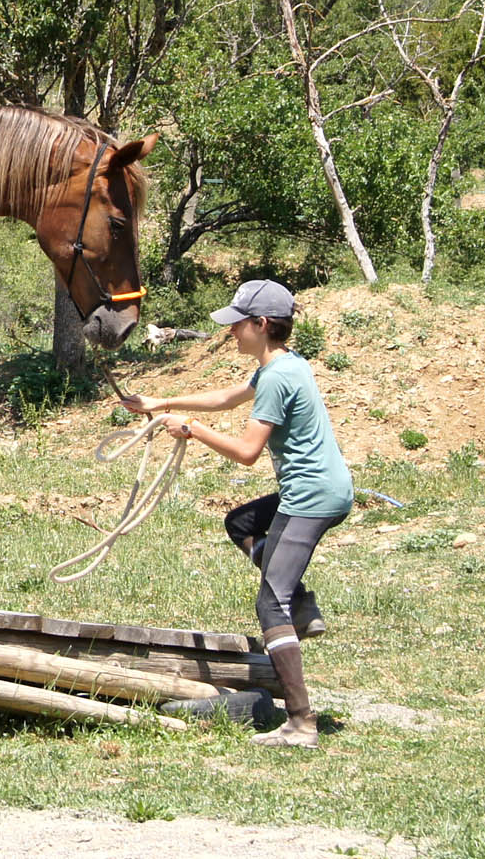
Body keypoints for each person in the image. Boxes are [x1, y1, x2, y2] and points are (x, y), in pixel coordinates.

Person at [124, 280, 352, 748]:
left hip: (309, 497)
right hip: (324, 489)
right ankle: (301, 607)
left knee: (270, 603)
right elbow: (228, 398)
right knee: (241, 524)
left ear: (261, 324)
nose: (231, 332)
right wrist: (162, 403)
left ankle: (301, 722)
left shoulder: (277, 377)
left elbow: (248, 452)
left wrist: (192, 430)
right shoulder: (284, 365)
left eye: (237, 324)